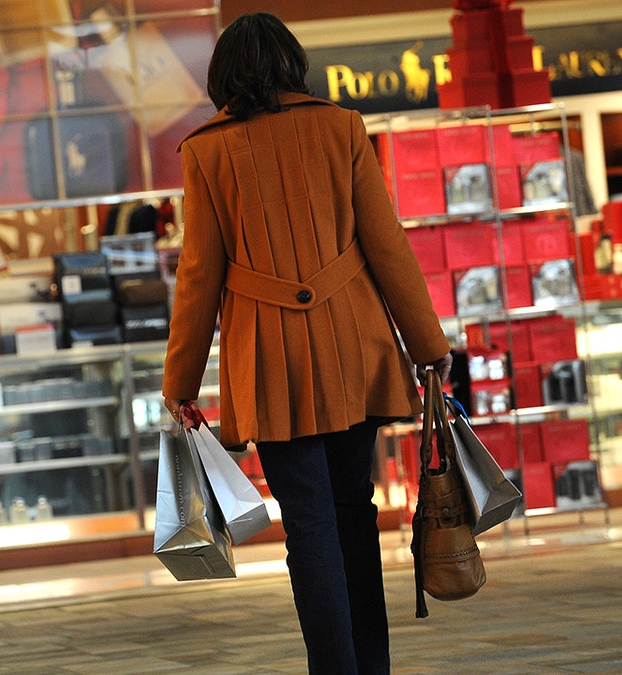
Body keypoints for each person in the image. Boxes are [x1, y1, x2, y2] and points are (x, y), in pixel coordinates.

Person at [161, 13, 453, 674]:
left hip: (268, 358)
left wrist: (181, 382)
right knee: (355, 509)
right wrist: (427, 343)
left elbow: (200, 275)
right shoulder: (342, 126)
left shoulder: (207, 151)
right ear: (294, 63)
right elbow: (386, 245)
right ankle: (371, 663)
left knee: (310, 523)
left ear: (222, 76)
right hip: (356, 345)